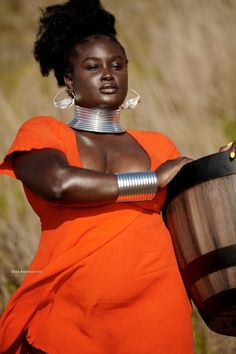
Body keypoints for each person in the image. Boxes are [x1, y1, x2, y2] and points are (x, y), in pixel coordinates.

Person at [1, 0, 234, 353]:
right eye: (92, 66)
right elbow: (60, 184)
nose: (108, 73)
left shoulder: (158, 145)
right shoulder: (44, 133)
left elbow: (193, 217)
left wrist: (222, 168)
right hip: (70, 315)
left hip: (155, 316)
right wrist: (150, 182)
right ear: (69, 78)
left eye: (117, 65)